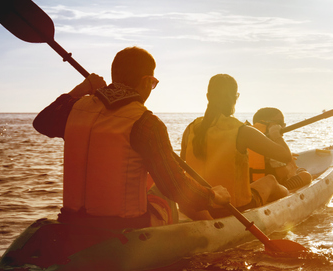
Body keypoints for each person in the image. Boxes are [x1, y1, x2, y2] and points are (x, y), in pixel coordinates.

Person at [33, 46, 230, 229]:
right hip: (123, 227)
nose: (151, 88)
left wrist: (83, 88)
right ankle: (216, 231)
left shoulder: (74, 109)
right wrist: (212, 197)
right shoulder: (146, 123)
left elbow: (41, 122)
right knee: (163, 186)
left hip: (72, 223)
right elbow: (175, 187)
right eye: (153, 83)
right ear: (146, 81)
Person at [180, 74, 291, 217]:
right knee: (271, 180)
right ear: (235, 98)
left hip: (199, 207)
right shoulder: (242, 131)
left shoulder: (190, 128)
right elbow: (285, 156)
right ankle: (291, 199)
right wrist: (276, 134)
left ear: (208, 97)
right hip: (233, 209)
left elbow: (184, 160)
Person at [248, 107, 312, 190]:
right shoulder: (271, 143)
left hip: (250, 185)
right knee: (306, 176)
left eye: (283, 124)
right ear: (268, 124)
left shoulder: (248, 137)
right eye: (279, 123)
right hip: (270, 188)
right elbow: (281, 173)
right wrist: (291, 167)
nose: (282, 127)